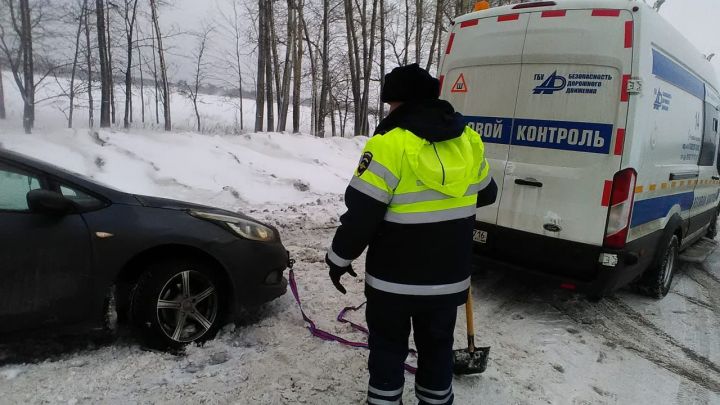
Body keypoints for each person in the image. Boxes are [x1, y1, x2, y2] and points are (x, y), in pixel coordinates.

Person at [325, 63, 497, 405]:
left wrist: (338, 259)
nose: (389, 110)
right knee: (437, 349)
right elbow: (488, 193)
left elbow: (362, 215)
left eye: (390, 104)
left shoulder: (390, 144)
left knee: (388, 350)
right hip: (449, 281)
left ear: (400, 102)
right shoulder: (469, 140)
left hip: (393, 283)